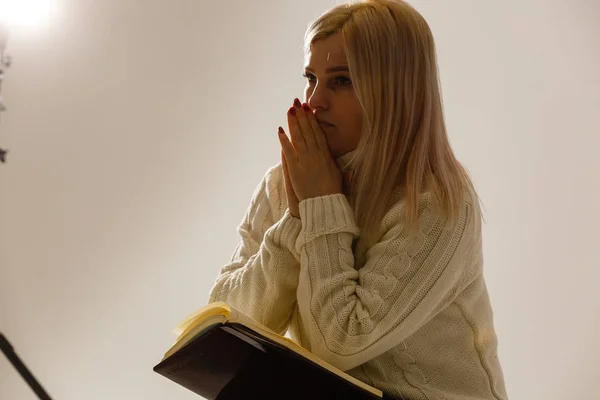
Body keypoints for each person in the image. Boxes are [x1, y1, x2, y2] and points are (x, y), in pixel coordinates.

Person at [208, 0, 507, 398]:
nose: (315, 102)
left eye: (341, 81)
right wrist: (296, 217)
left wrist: (320, 208)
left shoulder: (436, 201)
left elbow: (339, 343)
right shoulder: (286, 183)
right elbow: (224, 322)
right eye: (310, 78)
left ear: (394, 90)